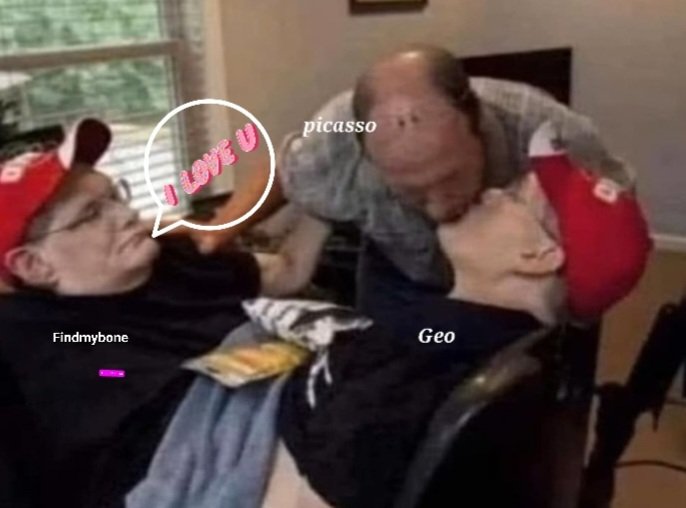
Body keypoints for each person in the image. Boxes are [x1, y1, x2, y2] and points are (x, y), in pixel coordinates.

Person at [277, 130, 652, 508]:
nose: (489, 193)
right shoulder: (472, 336)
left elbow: (329, 478)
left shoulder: (428, 361)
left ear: (536, 256)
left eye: (513, 197)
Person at [193, 45, 634, 334]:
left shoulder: (549, 131)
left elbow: (617, 223)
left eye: (451, 179)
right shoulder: (337, 134)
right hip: (401, 286)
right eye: (413, 192)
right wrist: (219, 229)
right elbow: (286, 168)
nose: (439, 209)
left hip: (517, 306)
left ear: (477, 126)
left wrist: (573, 303)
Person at [0, 118, 326, 508]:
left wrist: (328, 200)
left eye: (115, 196)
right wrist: (121, 372)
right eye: (91, 214)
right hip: (199, 450)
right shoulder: (35, 331)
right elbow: (110, 373)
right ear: (34, 265)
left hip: (297, 388)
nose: (126, 215)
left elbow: (287, 272)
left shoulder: (169, 257)